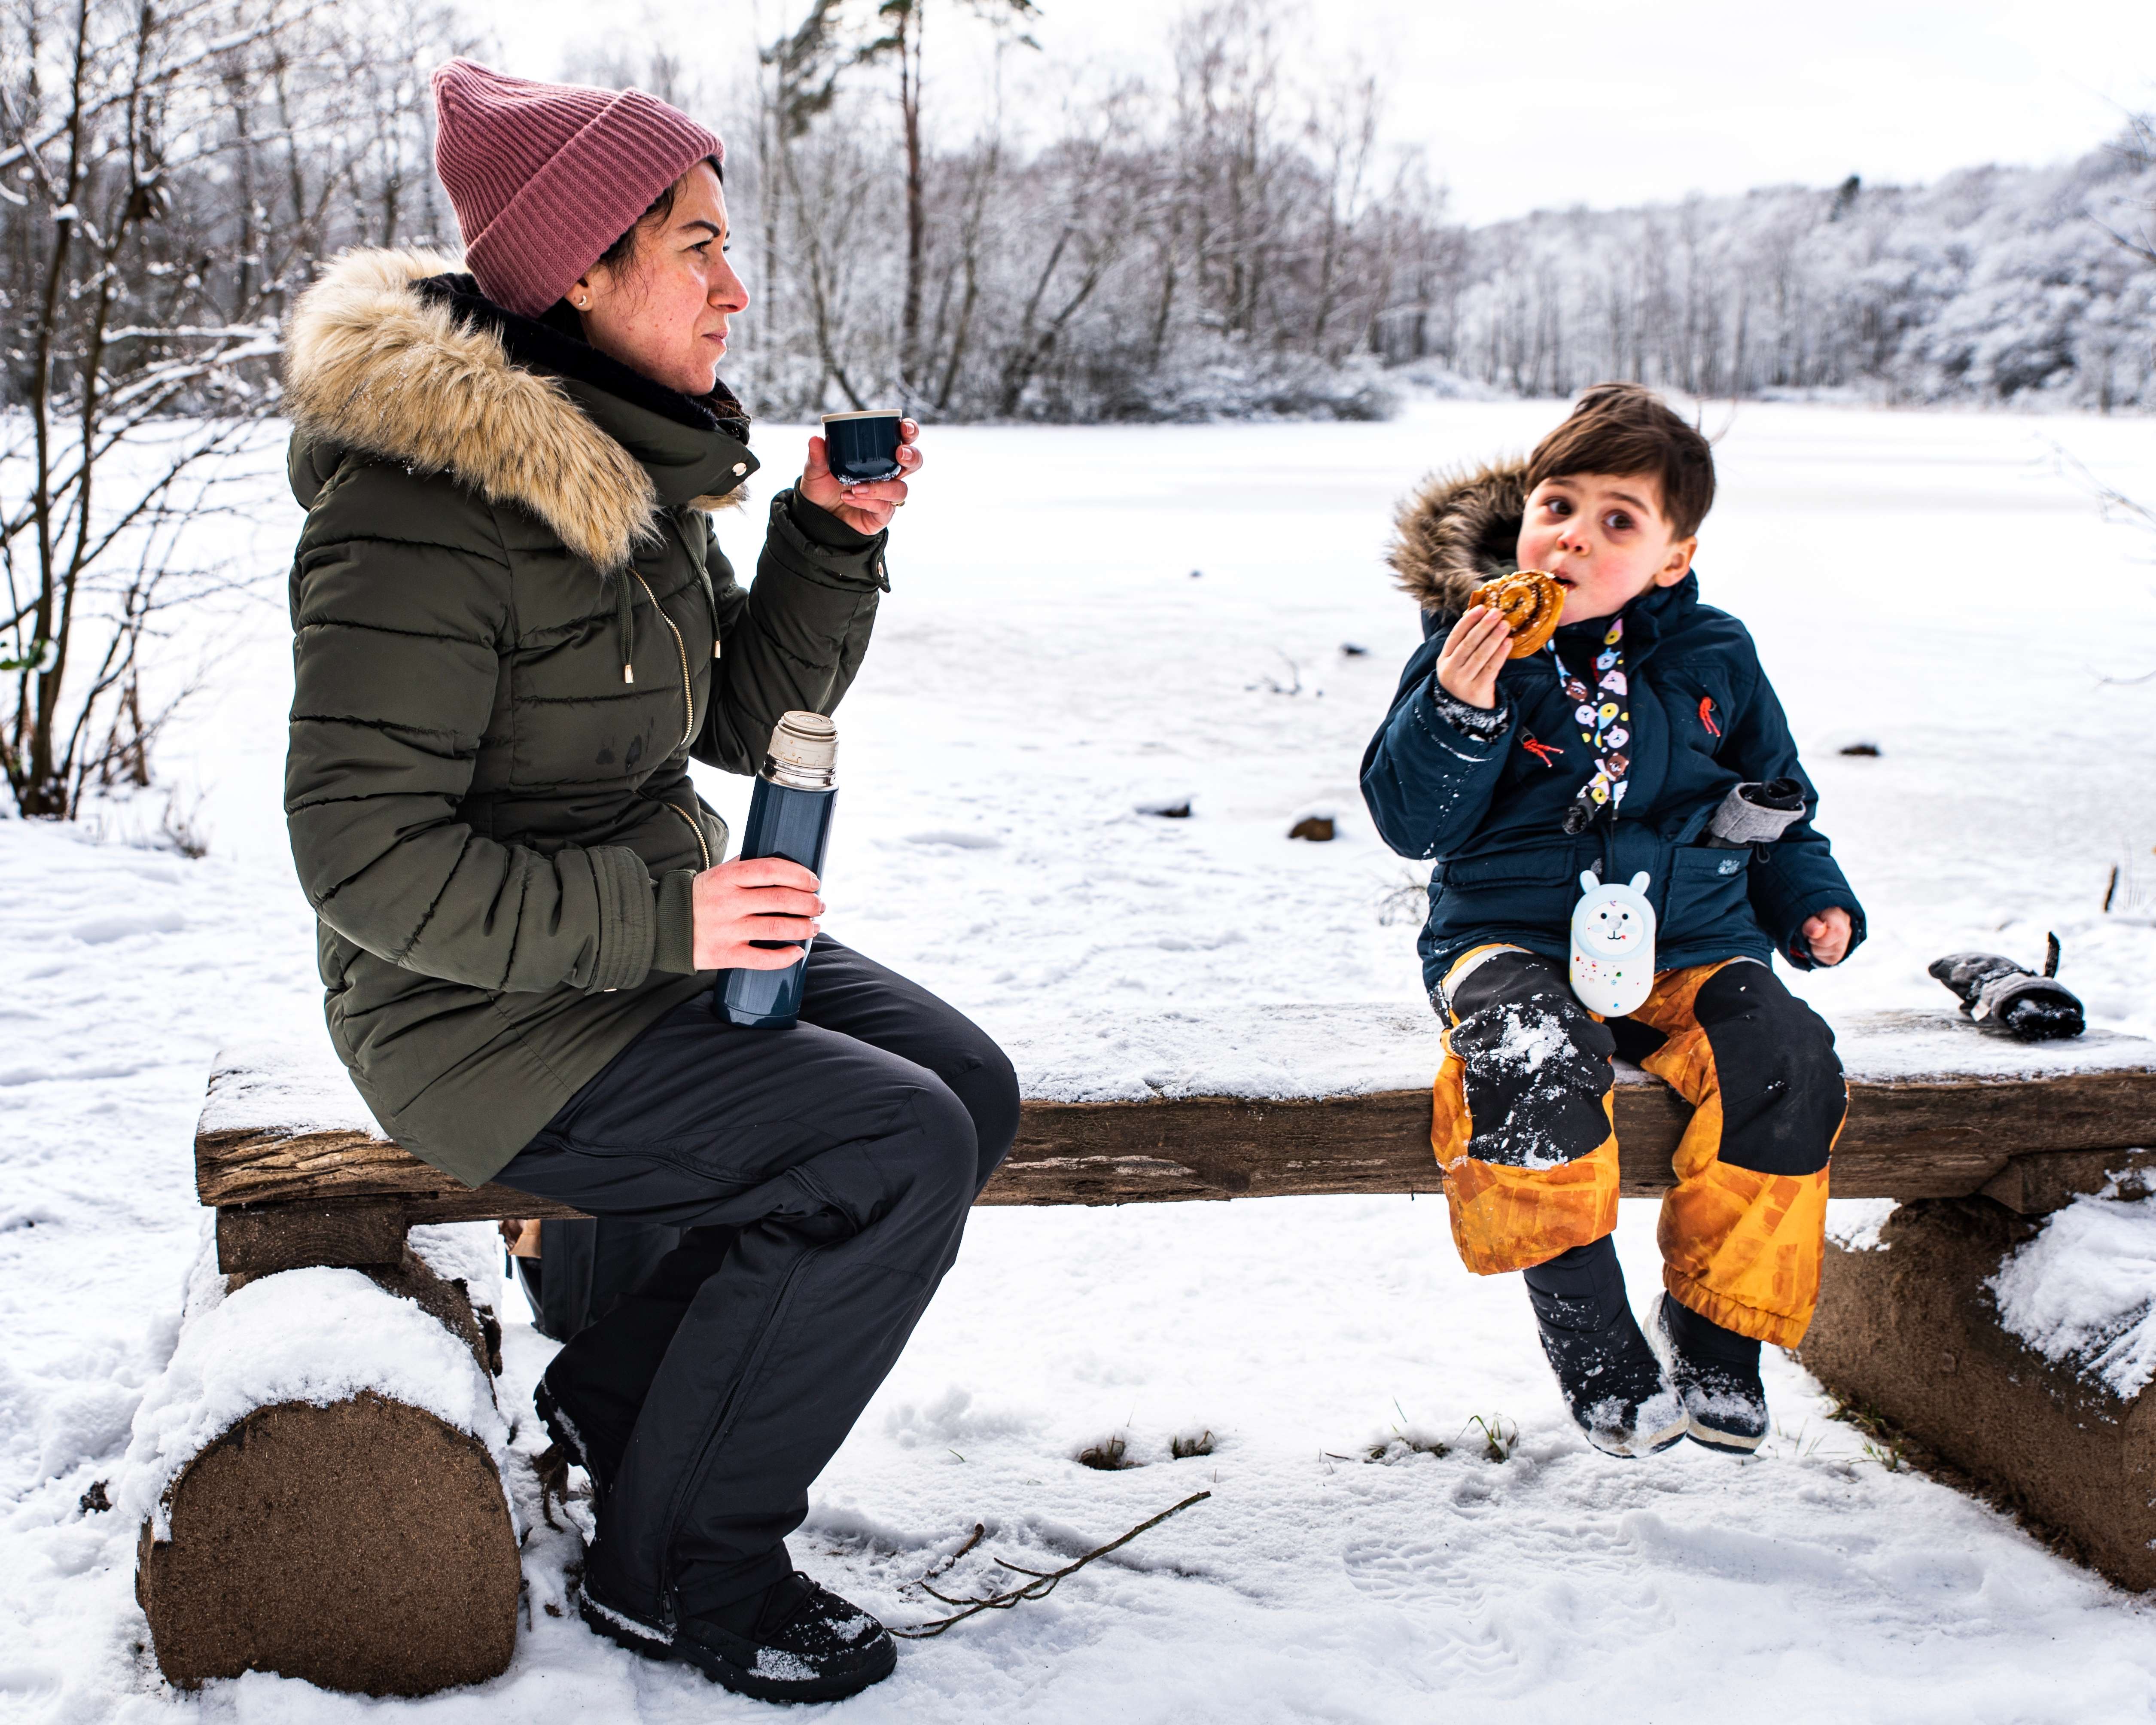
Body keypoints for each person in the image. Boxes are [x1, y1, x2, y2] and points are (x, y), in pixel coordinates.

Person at [280, 59, 1018, 1704]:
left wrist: (828, 537)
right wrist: (669, 919)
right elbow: (362, 859)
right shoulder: (417, 519)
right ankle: (682, 1566)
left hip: (643, 951)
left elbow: (742, 719)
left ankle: (626, 1403)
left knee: (965, 1084)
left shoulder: (630, 459)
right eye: (698, 246)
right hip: (473, 1020)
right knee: (888, 1146)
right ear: (581, 275)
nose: (734, 286)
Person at [1360, 384, 1864, 1459]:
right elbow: (1411, 823)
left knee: (1785, 1059)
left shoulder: (1714, 655)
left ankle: (1716, 1329)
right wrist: (1459, 707)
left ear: (1670, 558)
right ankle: (1588, 1329)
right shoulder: (1475, 638)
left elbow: (1773, 801)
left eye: (1616, 522)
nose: (1571, 538)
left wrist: (1810, 902)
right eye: (1556, 507)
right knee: (1524, 1052)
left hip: (1687, 942)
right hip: (1510, 938)